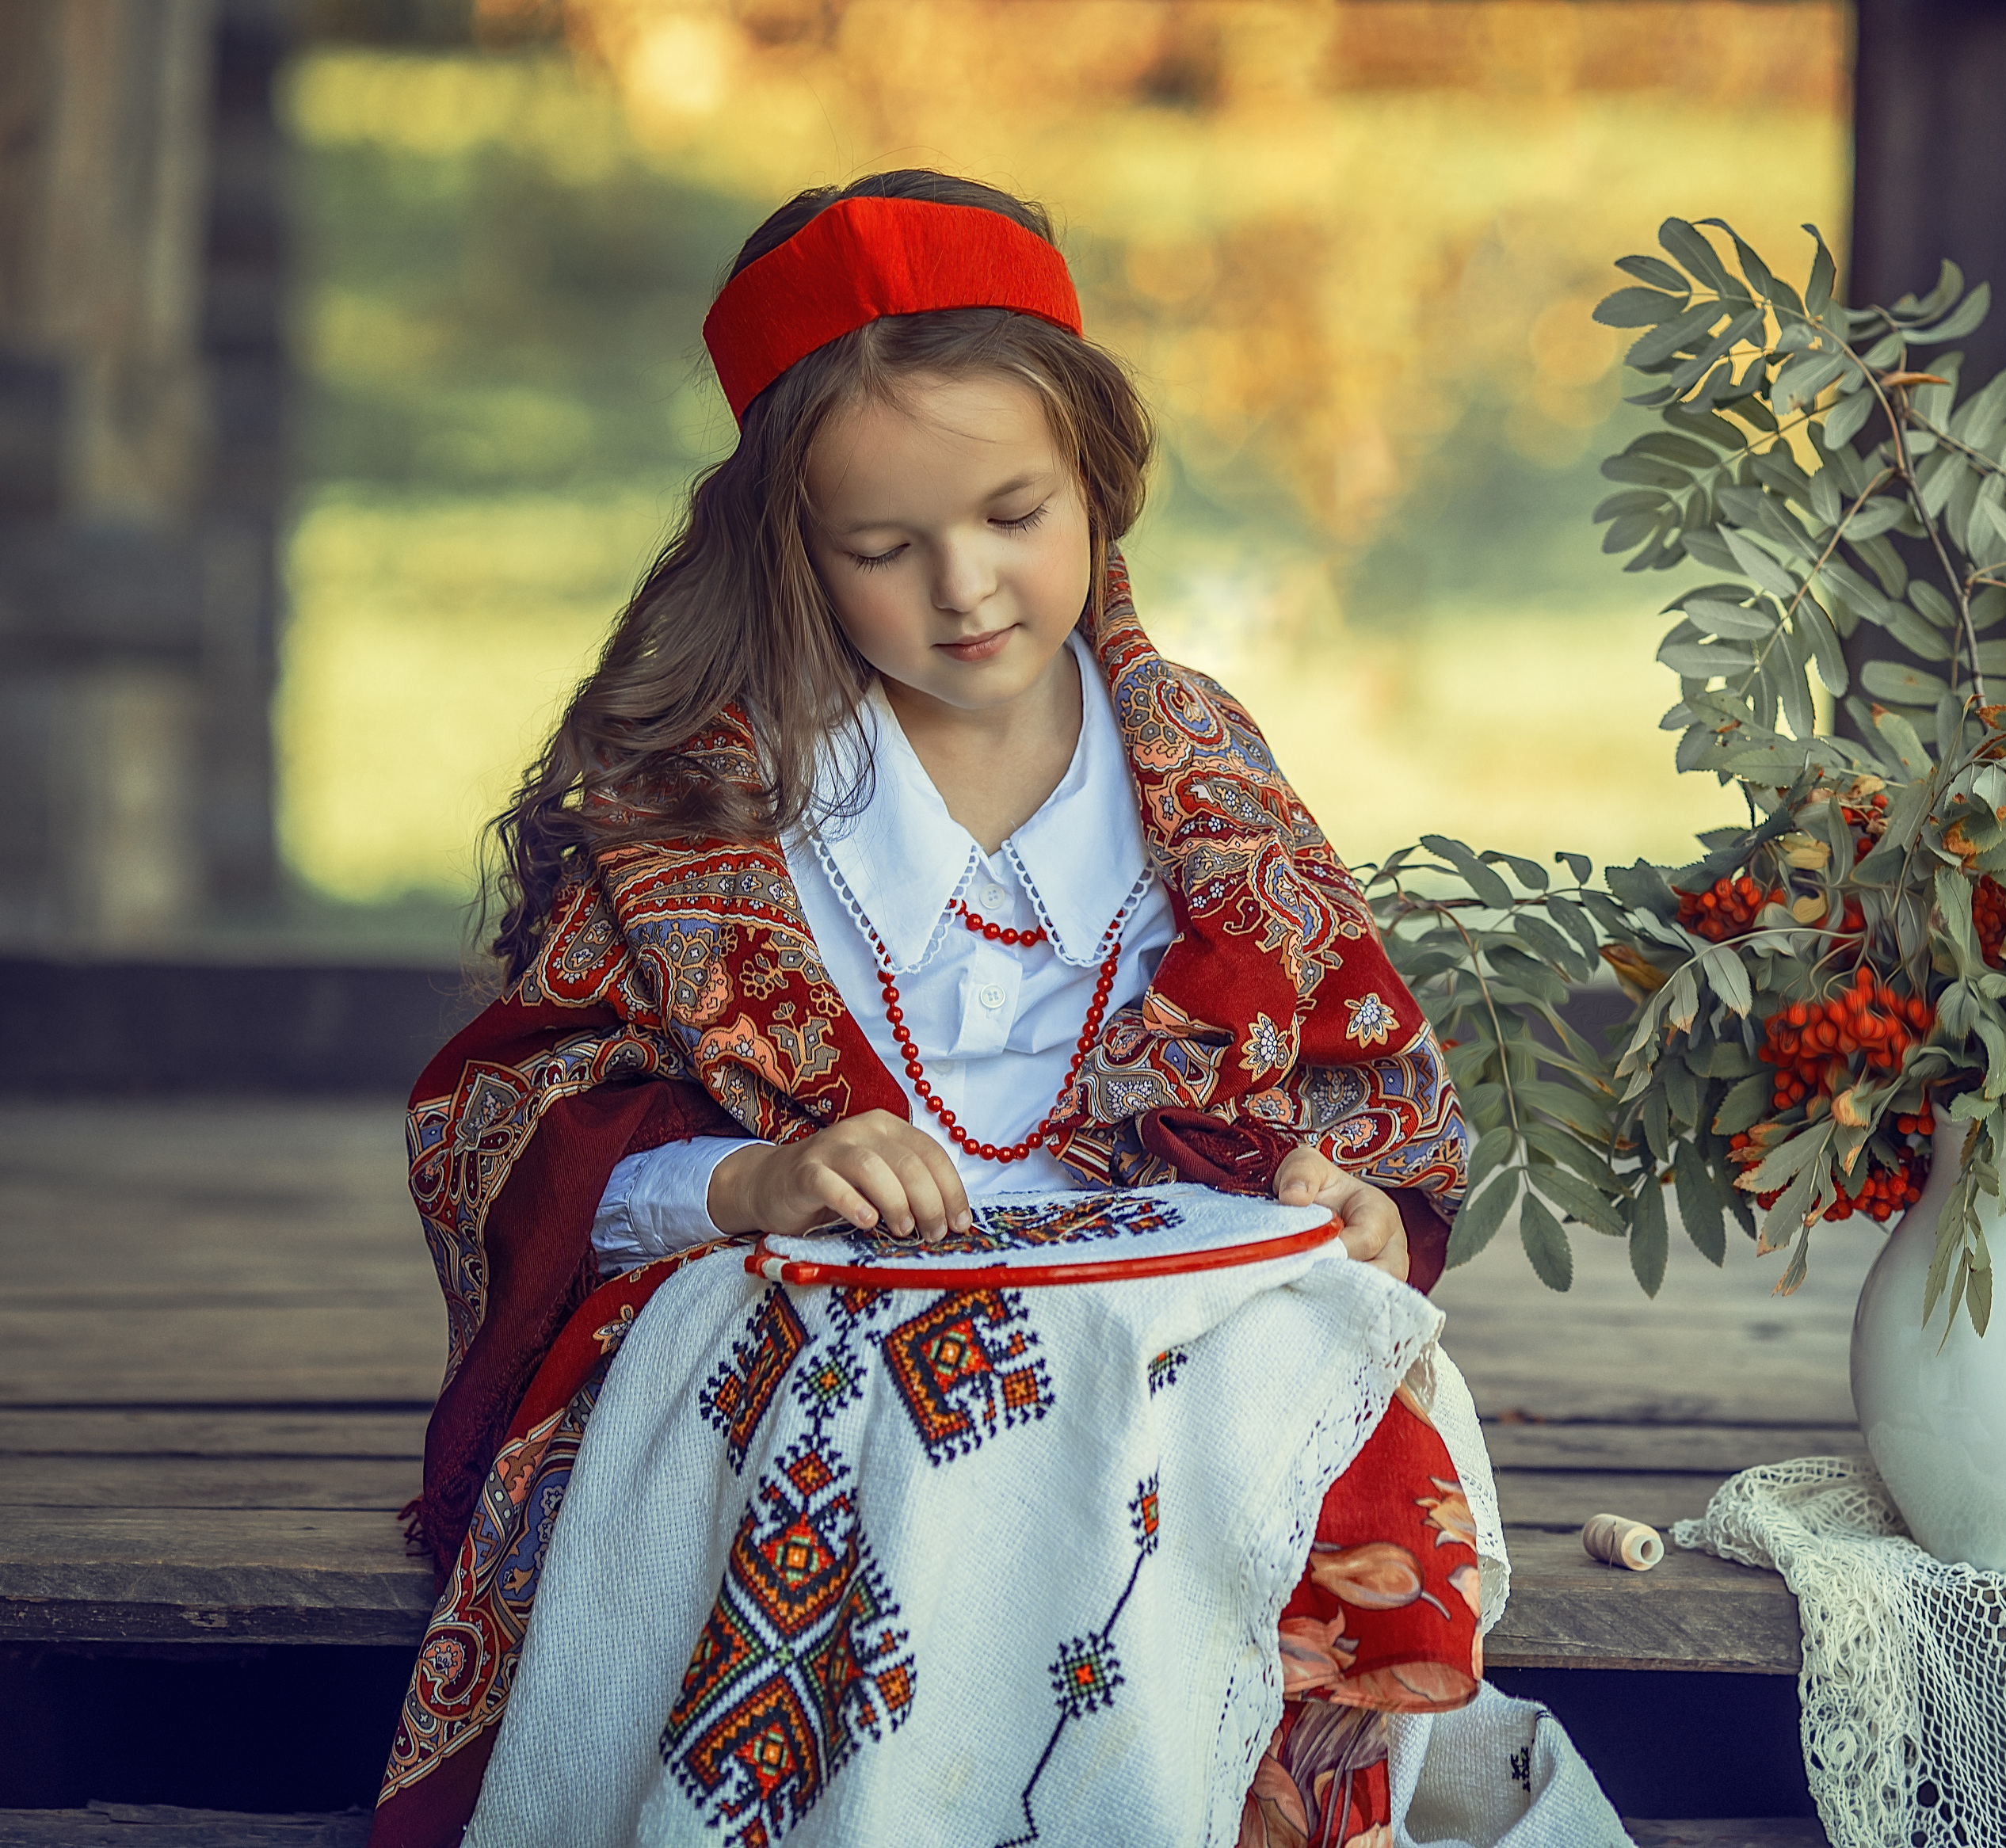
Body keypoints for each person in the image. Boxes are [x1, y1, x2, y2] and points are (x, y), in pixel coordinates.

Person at [368, 172, 1624, 1847]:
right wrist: (752, 1181)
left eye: (1014, 516)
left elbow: (1361, 1097)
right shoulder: (709, 810)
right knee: (916, 1426)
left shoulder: (1199, 776)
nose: (966, 590)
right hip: (809, 1309)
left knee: (1286, 1382)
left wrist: (1358, 1207)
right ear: (790, 547)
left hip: (1168, 1311)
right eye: (884, 550)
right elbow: (508, 1125)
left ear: (1098, 483)